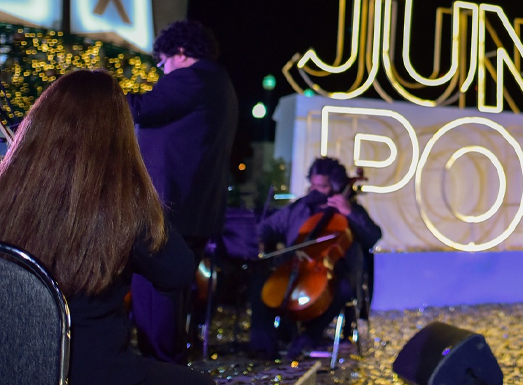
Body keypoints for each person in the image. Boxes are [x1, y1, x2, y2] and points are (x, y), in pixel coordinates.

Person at [0, 70, 213, 385]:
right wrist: (145, 199)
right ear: (119, 135)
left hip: (0, 368)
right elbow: (177, 273)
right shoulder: (125, 205)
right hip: (89, 372)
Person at [128, 20, 238, 364]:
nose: (162, 69)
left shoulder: (194, 78)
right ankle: (169, 367)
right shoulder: (218, 82)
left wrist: (96, 94)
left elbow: (141, 108)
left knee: (155, 298)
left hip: (171, 209)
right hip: (195, 211)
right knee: (170, 297)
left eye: (163, 61)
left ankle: (164, 371)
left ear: (179, 52)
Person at [251, 157, 382, 360]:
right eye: (312, 184)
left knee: (342, 288)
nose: (314, 189)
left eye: (321, 186)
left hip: (335, 273)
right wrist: (260, 239)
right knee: (261, 282)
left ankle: (309, 337)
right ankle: (263, 345)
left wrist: (349, 212)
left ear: (336, 187)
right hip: (294, 267)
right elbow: (268, 227)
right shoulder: (299, 207)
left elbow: (373, 236)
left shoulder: (350, 209)